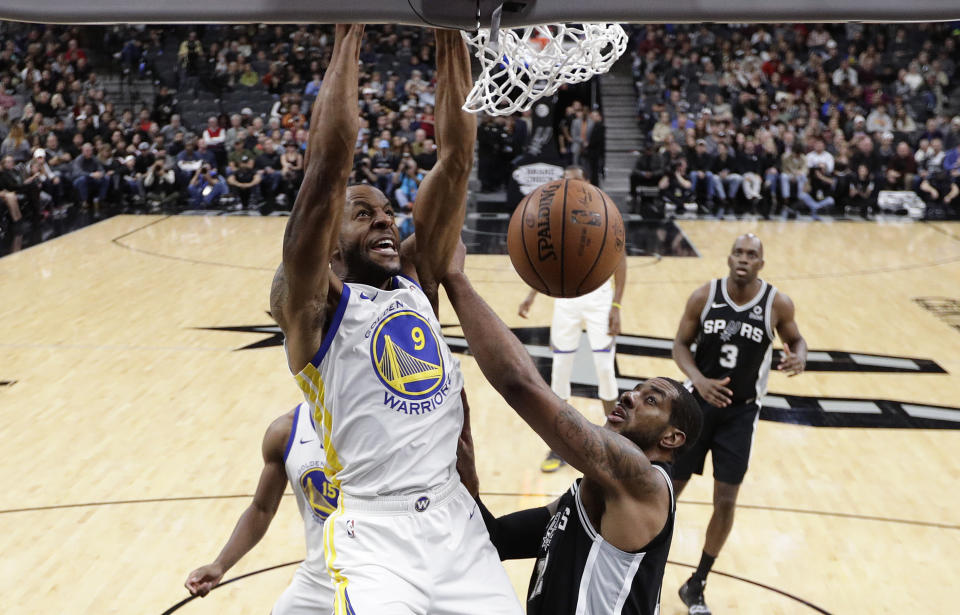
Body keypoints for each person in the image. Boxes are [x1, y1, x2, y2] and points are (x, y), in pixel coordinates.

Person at [270, 25, 521, 614]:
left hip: (454, 523)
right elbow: (328, 166)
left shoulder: (416, 282)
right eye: (363, 215)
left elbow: (457, 158)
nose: (385, 221)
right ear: (330, 243)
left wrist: (451, 30)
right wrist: (349, 28)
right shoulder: (317, 308)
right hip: (375, 536)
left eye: (388, 212)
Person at [442, 240, 703, 615]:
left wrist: (455, 280)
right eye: (636, 389)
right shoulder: (586, 495)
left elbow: (521, 384)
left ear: (671, 438)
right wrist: (468, 477)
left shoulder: (643, 480)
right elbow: (496, 539)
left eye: (651, 400)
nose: (629, 396)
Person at [671, 233, 808, 615]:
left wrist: (800, 357)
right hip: (697, 407)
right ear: (728, 258)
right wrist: (698, 380)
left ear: (761, 263)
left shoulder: (777, 303)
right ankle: (640, 561)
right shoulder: (704, 296)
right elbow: (679, 345)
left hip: (741, 413)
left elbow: (797, 341)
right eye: (738, 252)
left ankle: (697, 582)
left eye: (752, 254)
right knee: (667, 491)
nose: (744, 259)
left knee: (726, 501)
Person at [518, 166, 627, 473]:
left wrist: (616, 305)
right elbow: (547, 263)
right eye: (566, 182)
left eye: (576, 181)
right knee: (560, 372)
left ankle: (614, 440)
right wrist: (531, 295)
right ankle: (560, 446)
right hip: (566, 299)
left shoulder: (603, 211)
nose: (570, 186)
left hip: (599, 298)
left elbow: (621, 260)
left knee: (605, 369)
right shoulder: (553, 216)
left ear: (587, 183)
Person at [184, 404, 338, 613]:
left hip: (380, 577)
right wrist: (220, 564)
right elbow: (262, 509)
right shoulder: (285, 431)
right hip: (319, 580)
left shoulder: (386, 431)